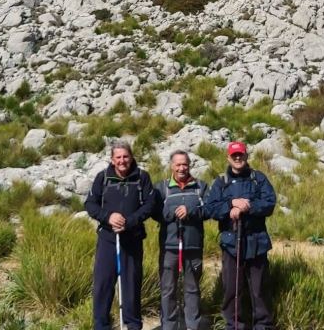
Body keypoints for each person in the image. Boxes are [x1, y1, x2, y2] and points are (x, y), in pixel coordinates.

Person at [205, 141, 277, 330]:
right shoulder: (221, 182)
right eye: (234, 155)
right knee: (231, 290)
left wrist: (249, 206)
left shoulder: (258, 178)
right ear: (228, 157)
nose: (238, 158)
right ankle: (234, 325)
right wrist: (230, 206)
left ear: (246, 156)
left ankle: (263, 325)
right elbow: (210, 208)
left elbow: (269, 203)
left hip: (257, 242)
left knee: (259, 289)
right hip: (231, 244)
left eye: (241, 154)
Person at [85, 141, 155, 330]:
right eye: (118, 157)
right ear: (112, 159)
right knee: (103, 285)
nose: (122, 161)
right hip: (108, 239)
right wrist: (108, 217)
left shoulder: (142, 177)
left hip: (132, 239)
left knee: (131, 286)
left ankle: (132, 326)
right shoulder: (103, 177)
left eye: (125, 156)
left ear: (131, 157)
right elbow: (90, 204)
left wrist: (129, 221)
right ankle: (101, 326)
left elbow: (150, 205)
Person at [154, 150, 208, 330]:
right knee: (168, 290)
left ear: (189, 165)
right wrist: (171, 213)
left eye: (185, 164)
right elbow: (153, 212)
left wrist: (190, 210)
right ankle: (168, 326)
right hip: (169, 247)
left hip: (193, 247)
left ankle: (192, 325)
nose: (181, 168)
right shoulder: (161, 188)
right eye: (178, 164)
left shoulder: (201, 186)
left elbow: (210, 210)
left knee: (192, 289)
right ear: (171, 166)